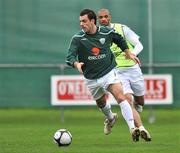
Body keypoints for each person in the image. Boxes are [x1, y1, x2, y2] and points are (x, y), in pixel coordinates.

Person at [66, 8, 141, 142]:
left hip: (108, 73)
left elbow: (119, 39)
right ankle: (111, 118)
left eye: (84, 21)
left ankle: (132, 128)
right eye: (80, 21)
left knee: (120, 96)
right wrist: (76, 64)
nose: (81, 24)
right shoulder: (78, 38)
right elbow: (69, 57)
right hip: (91, 78)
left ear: (92, 21)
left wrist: (128, 52)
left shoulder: (106, 32)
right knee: (101, 103)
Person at [97, 8, 151, 141]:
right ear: (97, 20)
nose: (103, 19)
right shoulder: (97, 35)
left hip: (133, 69)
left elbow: (139, 44)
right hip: (117, 72)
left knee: (140, 101)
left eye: (105, 16)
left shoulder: (121, 28)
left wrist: (132, 53)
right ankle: (137, 128)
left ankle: (137, 111)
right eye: (100, 17)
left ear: (110, 17)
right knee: (127, 100)